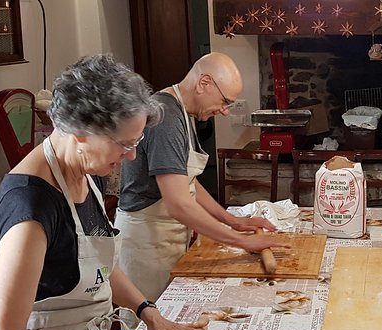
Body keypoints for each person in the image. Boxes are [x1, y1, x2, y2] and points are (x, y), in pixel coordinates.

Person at [0, 54, 210, 330]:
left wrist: (147, 311)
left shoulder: (84, 173)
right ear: (80, 132)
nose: (133, 156)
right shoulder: (30, 210)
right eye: (125, 144)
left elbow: (98, 262)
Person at [116, 52, 288, 299]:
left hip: (165, 239)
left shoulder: (183, 113)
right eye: (225, 101)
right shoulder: (165, 118)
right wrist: (242, 241)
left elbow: (187, 181)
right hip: (146, 246)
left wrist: (233, 221)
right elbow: (178, 203)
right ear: (204, 83)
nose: (226, 111)